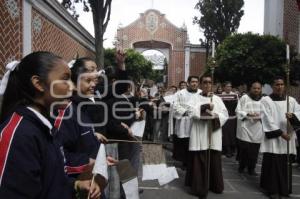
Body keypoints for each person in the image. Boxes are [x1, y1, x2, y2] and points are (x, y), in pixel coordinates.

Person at [0, 52, 100, 199]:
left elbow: (51, 179)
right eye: (65, 79)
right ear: (39, 83)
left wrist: (74, 185)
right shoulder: (19, 135)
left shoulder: (47, 127)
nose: (72, 87)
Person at [185, 75, 228, 199]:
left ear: (212, 85)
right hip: (199, 134)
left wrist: (215, 115)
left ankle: (215, 185)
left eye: (210, 82)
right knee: (199, 160)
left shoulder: (217, 99)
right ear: (200, 84)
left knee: (213, 160)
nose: (207, 85)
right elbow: (191, 112)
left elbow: (224, 114)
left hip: (213, 134)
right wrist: (204, 107)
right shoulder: (195, 98)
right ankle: (199, 187)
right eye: (205, 82)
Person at [260, 77, 300, 199]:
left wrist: (292, 116)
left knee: (284, 164)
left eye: (282, 84)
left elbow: (298, 113)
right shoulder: (266, 100)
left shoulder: (291, 100)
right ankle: (271, 189)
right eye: (277, 84)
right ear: (273, 86)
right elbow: (266, 118)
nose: (280, 87)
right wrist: (281, 134)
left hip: (288, 136)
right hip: (275, 137)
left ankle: (284, 188)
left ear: (284, 86)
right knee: (272, 163)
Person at [173, 76, 201, 167]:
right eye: (192, 82)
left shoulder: (201, 93)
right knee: (185, 142)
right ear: (188, 83)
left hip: (197, 122)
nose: (194, 84)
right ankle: (185, 162)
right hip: (185, 122)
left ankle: (194, 162)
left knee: (196, 141)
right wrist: (185, 112)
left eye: (196, 82)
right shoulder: (180, 93)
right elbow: (175, 105)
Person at [236, 81, 263, 176]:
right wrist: (248, 114)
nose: (256, 90)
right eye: (254, 88)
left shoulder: (263, 99)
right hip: (246, 127)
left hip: (257, 128)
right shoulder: (245, 98)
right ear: (251, 88)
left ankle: (252, 168)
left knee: (254, 150)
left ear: (261, 89)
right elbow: (238, 110)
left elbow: (267, 112)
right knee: (245, 148)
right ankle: (242, 165)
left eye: (258, 88)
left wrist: (261, 116)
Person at [221, 81, 238, 157]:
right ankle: (226, 150)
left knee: (232, 134)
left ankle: (232, 150)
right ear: (224, 87)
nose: (229, 88)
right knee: (225, 135)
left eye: (230, 86)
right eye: (227, 86)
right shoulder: (220, 96)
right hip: (224, 118)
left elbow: (238, 106)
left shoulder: (235, 95)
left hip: (233, 117)